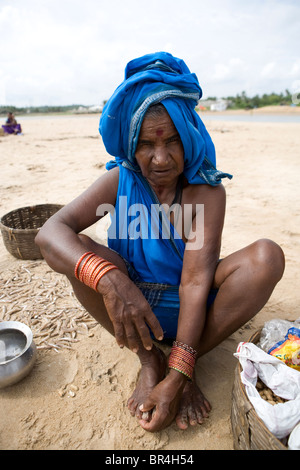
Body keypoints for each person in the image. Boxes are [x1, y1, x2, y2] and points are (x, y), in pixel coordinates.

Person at [35, 52, 285, 433]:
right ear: (131, 146)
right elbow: (49, 233)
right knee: (77, 249)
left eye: (172, 141)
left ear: (188, 137)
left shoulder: (205, 193)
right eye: (147, 145)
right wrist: (112, 281)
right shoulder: (120, 181)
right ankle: (148, 360)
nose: (162, 158)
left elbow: (195, 282)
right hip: (130, 306)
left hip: (193, 309)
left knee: (266, 257)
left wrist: (179, 375)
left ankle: (179, 363)